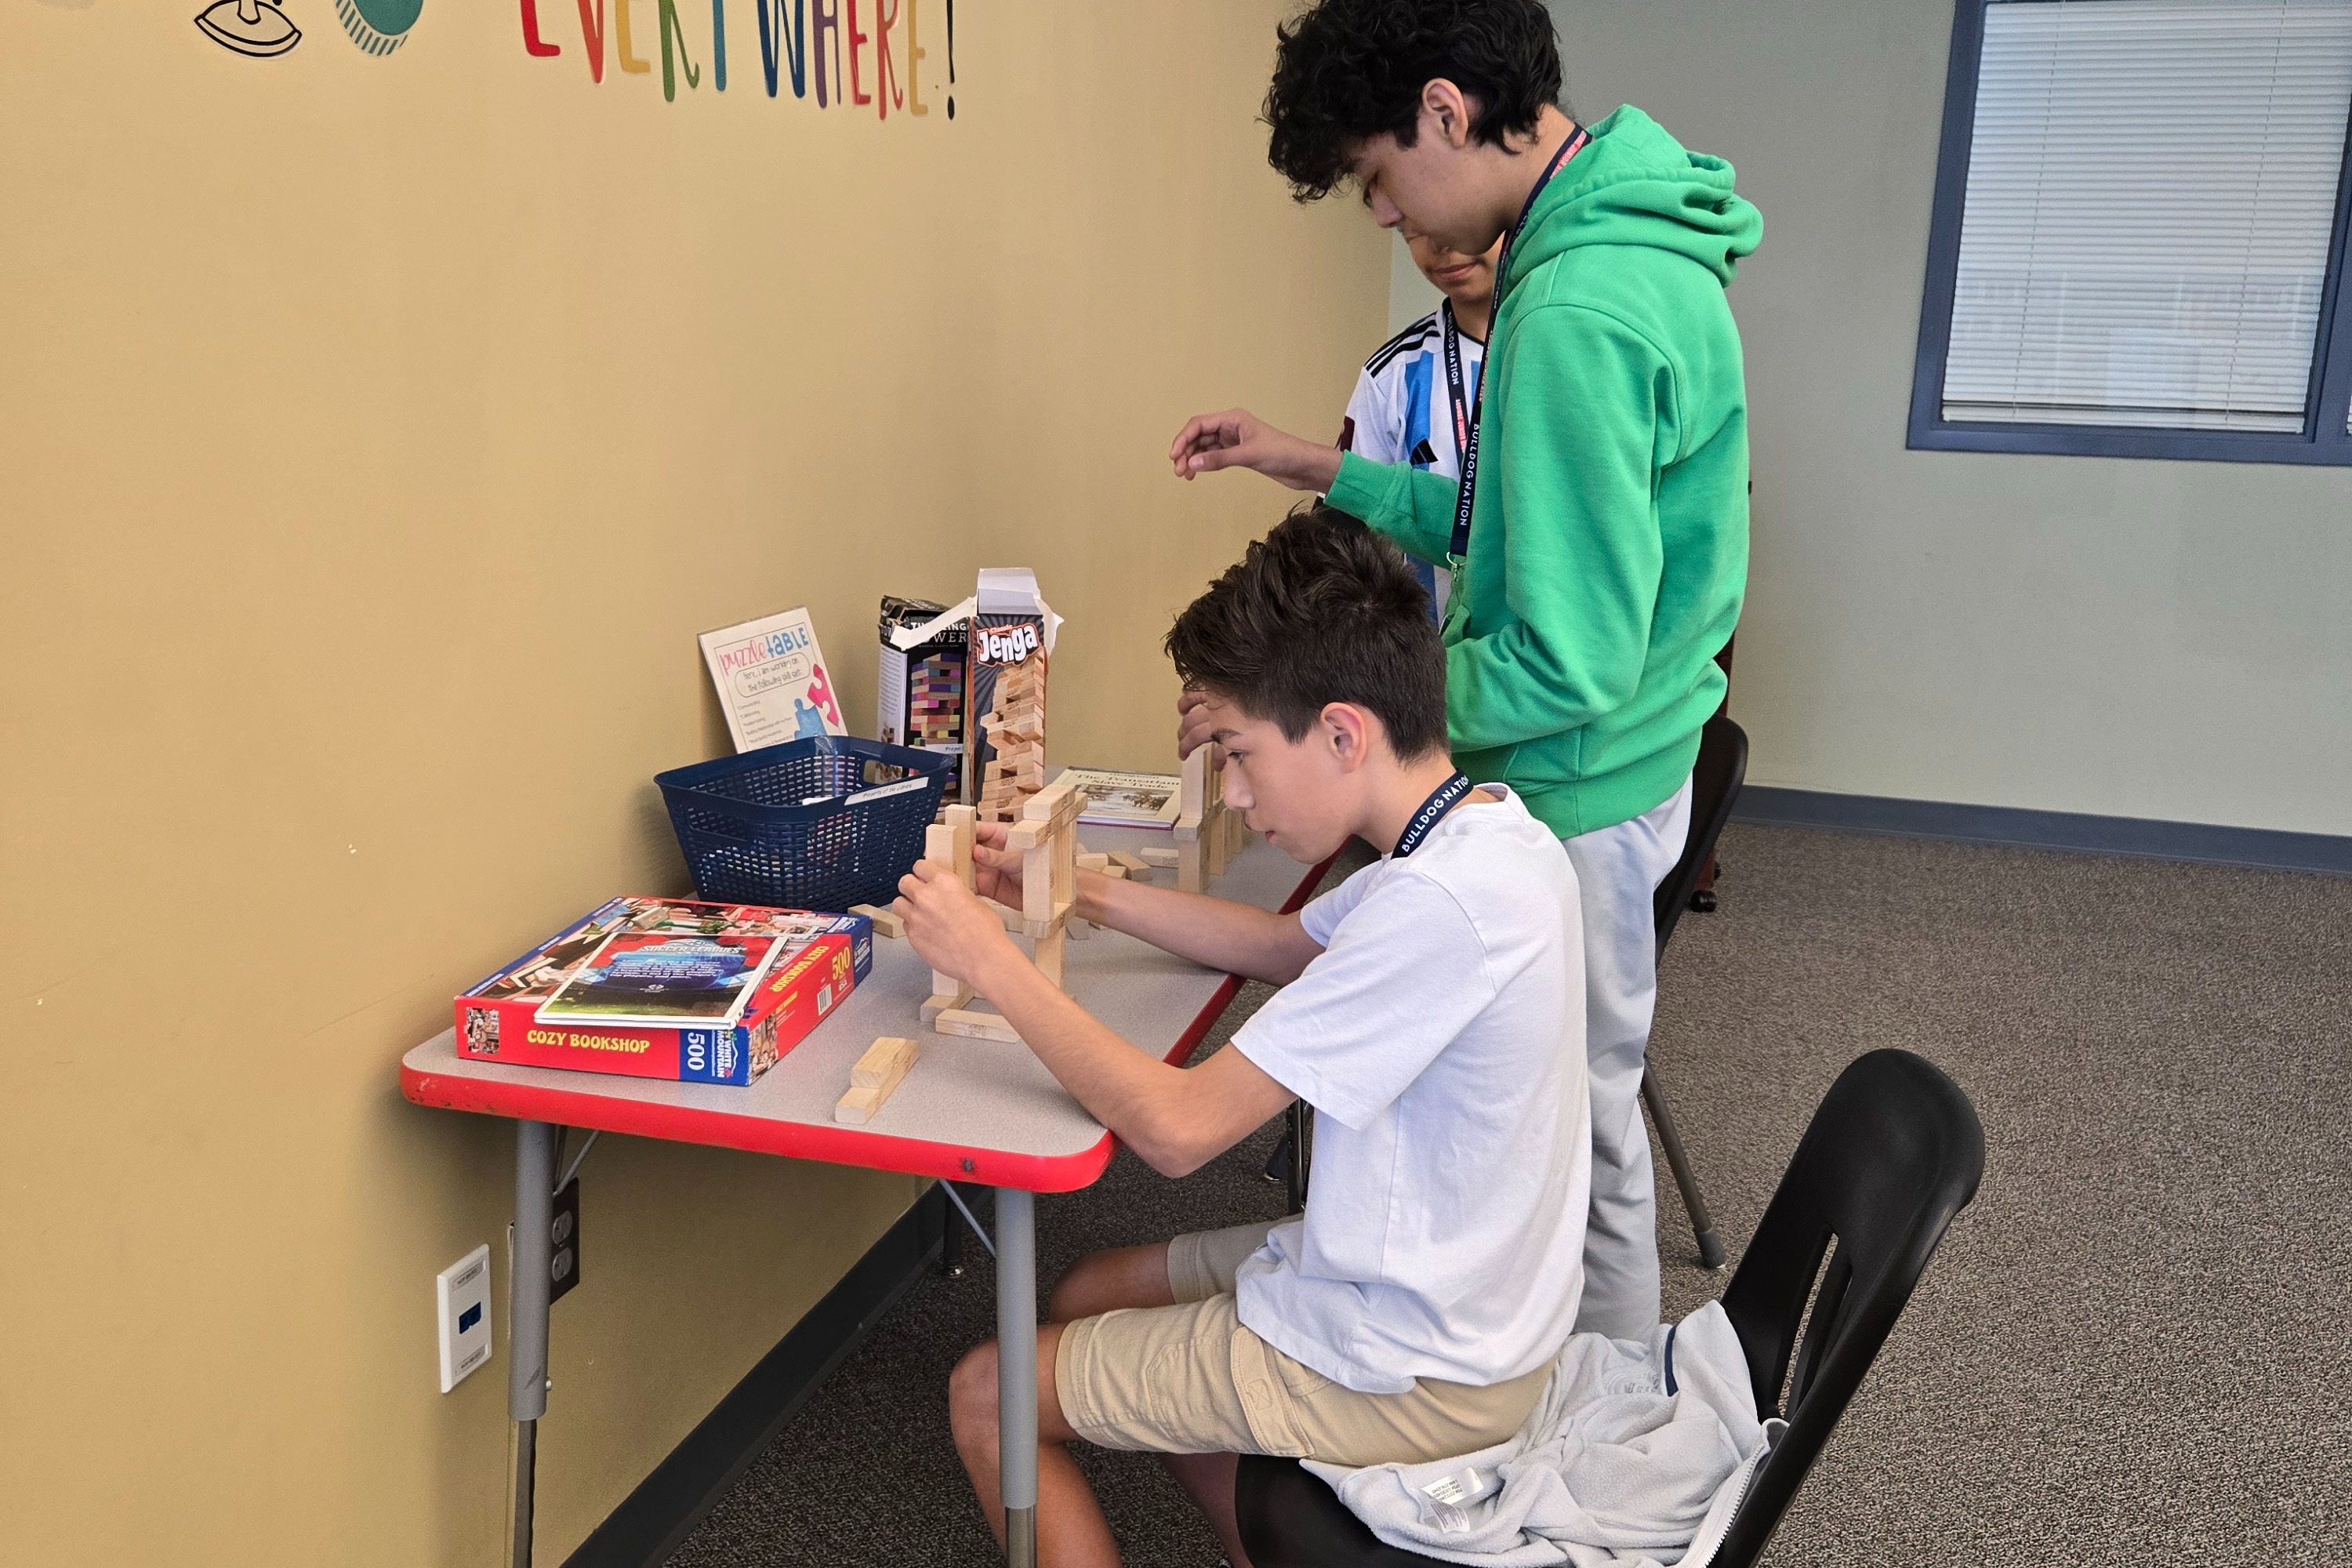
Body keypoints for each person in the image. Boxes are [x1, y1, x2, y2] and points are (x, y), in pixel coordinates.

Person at [1165, 0, 1759, 1340]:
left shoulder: (1574, 310)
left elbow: (1565, 658)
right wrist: (1316, 464)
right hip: (1626, 758)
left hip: (1576, 781)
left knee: (1577, 1143)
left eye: (1379, 175)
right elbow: (1513, 526)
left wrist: (1338, 722)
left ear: (1445, 109)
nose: (1386, 213)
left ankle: (1600, 1416)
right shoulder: (1624, 236)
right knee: (1568, 1117)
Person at [895, 507, 1588, 1568]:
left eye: (1241, 753)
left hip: (1417, 1363)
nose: (1232, 789)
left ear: (1344, 732)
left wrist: (989, 961)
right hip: (1455, 1296)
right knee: (1084, 1293)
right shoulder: (1480, 832)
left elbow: (1176, 1131)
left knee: (988, 1394)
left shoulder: (1437, 910)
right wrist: (1075, 889)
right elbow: (1276, 944)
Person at [1339, 227, 1504, 619]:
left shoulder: (1575, 352)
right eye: (1416, 229)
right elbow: (1348, 541)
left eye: (1460, 218)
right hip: (1427, 650)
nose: (1443, 245)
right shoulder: (1391, 375)